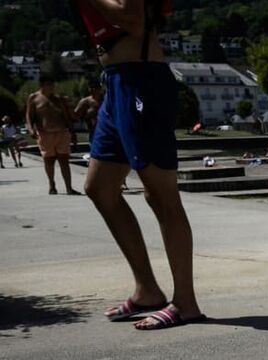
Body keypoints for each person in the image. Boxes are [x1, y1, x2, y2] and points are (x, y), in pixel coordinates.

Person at [75, 0, 204, 329]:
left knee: (161, 195)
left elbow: (132, 20)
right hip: (116, 81)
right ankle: (147, 289)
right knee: (100, 187)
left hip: (141, 81)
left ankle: (185, 303)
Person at [25, 75, 79, 195]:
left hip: (61, 132)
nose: (52, 87)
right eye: (49, 84)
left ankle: (69, 188)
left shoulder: (58, 99)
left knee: (64, 160)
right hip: (45, 133)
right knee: (48, 160)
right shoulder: (33, 98)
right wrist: (30, 129)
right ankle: (52, 184)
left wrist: (72, 131)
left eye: (53, 84)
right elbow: (29, 116)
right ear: (42, 85)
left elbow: (66, 117)